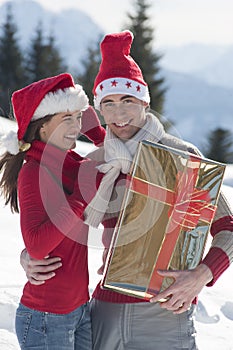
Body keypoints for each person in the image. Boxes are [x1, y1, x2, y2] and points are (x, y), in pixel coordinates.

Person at [19, 32, 233, 350]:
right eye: (109, 103)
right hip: (103, 314)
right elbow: (57, 225)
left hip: (162, 316)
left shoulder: (181, 157)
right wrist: (29, 256)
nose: (119, 114)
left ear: (145, 101)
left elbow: (227, 228)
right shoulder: (97, 165)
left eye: (128, 100)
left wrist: (201, 276)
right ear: (100, 110)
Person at [0, 72, 106, 350]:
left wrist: (98, 135)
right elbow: (37, 245)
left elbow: (121, 173)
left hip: (79, 309)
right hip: (46, 317)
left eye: (78, 117)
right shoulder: (34, 172)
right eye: (65, 119)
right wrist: (79, 199)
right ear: (43, 128)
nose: (75, 126)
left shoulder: (70, 162)